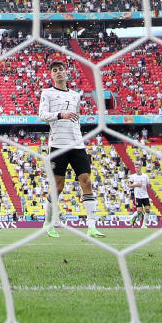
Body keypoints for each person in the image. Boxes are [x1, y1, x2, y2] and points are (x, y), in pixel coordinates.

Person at [38, 61, 104, 238]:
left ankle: (91, 226)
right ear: (51, 75)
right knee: (57, 186)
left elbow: (76, 117)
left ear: (66, 73)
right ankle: (48, 223)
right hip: (58, 144)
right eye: (54, 71)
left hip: (77, 143)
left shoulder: (75, 95)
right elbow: (42, 116)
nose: (58, 73)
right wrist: (61, 115)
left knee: (86, 181)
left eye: (60, 70)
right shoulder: (47, 93)